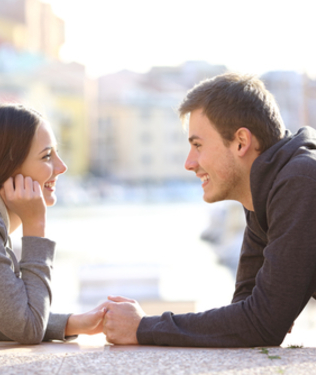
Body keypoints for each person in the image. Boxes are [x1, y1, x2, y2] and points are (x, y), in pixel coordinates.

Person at [103, 72, 316, 347]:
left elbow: (262, 324)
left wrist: (144, 327)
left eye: (197, 145)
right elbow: (247, 307)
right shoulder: (265, 189)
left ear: (241, 142)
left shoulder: (299, 180)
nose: (189, 163)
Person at [0, 103, 106, 344]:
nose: (61, 167)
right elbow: (27, 328)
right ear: (6, 165)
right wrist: (35, 225)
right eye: (47, 156)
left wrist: (73, 323)